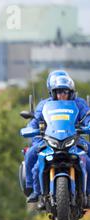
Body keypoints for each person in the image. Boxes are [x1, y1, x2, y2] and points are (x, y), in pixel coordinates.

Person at [29, 74, 90, 204]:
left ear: (71, 92)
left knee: (88, 160)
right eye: (58, 92)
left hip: (75, 139)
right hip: (48, 140)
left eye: (65, 91)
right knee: (31, 155)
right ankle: (35, 191)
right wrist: (30, 129)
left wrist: (88, 125)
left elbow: (87, 117)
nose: (62, 95)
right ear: (52, 92)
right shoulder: (44, 105)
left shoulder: (79, 103)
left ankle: (88, 191)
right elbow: (34, 123)